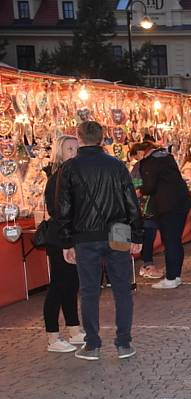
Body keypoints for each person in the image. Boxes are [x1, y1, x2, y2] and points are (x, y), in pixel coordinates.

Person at [56, 121, 144, 361]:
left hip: (85, 234)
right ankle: (124, 343)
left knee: (89, 291)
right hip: (118, 230)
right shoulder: (117, 165)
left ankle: (93, 344)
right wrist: (137, 234)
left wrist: (66, 242)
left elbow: (63, 208)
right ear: (102, 138)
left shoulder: (70, 168)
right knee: (122, 289)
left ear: (79, 137)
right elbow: (131, 202)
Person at [42, 135, 84, 353]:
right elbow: (57, 211)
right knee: (59, 286)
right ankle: (52, 337)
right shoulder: (57, 178)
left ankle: (74, 329)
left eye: (76, 148)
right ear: (60, 152)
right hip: (60, 238)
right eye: (69, 149)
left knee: (72, 284)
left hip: (71, 237)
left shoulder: (72, 176)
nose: (74, 152)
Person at [139, 140, 191, 289]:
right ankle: (176, 276)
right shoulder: (167, 157)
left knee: (170, 241)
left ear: (142, 152)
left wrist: (140, 190)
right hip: (181, 203)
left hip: (166, 206)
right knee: (175, 241)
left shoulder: (149, 162)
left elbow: (149, 186)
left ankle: (171, 278)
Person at [129, 143, 163, 281]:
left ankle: (147, 264)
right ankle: (147, 265)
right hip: (143, 209)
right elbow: (135, 189)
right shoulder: (138, 167)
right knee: (147, 236)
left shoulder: (148, 166)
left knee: (149, 235)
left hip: (150, 208)